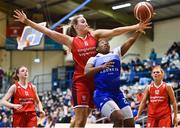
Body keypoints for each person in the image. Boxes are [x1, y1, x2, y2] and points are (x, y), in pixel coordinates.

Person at [13, 9, 150, 127]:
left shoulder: (95, 35)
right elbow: (47, 31)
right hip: (81, 81)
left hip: (96, 83)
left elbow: (114, 31)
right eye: (83, 21)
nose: (86, 23)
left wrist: (136, 26)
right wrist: (27, 21)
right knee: (81, 121)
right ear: (76, 26)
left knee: (82, 118)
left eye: (86, 21)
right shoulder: (71, 41)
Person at [84, 30, 143, 127]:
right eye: (102, 42)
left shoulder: (116, 53)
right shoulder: (94, 59)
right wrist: (102, 67)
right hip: (102, 94)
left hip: (117, 93)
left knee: (130, 123)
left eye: (107, 42)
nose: (105, 43)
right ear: (97, 49)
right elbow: (86, 73)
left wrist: (139, 30)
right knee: (119, 118)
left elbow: (131, 40)